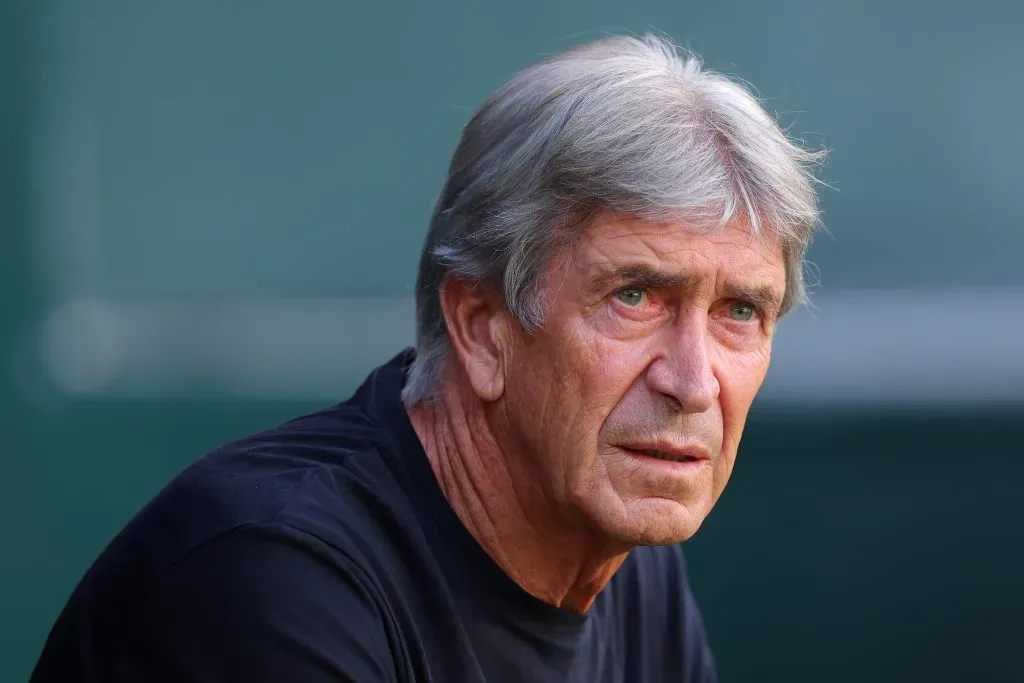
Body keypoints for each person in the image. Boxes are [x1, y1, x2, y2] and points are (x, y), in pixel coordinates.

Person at [31, 34, 824, 682]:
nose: (691, 381)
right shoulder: (270, 579)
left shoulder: (627, 566)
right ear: (482, 327)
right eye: (636, 296)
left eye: (740, 311)